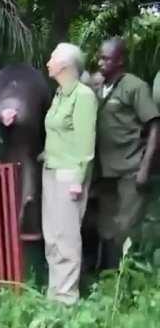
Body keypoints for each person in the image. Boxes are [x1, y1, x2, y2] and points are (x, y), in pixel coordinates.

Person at [93, 37, 160, 269]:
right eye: (99, 57)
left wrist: (144, 169)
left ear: (120, 60)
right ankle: (110, 280)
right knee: (106, 228)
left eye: (106, 58)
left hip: (131, 169)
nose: (100, 62)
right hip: (106, 171)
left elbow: (154, 128)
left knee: (126, 229)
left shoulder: (134, 86)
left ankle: (129, 281)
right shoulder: (99, 87)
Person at [41, 43, 98, 305]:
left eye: (53, 58)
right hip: (50, 170)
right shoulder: (60, 94)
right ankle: (55, 293)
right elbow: (57, 133)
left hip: (68, 175)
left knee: (66, 238)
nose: (48, 62)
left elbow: (86, 144)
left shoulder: (83, 96)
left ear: (65, 65)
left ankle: (66, 299)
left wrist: (77, 181)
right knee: (52, 236)